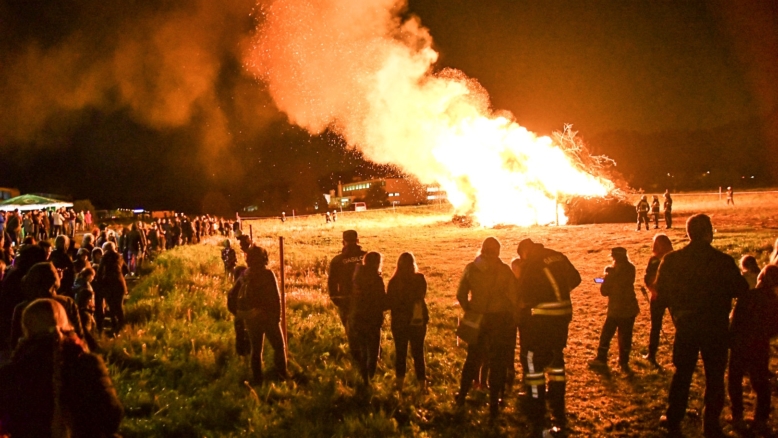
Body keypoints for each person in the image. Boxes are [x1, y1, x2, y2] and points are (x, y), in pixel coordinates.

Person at [655, 214, 749, 436]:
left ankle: (674, 417)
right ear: (708, 232)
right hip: (715, 326)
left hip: (686, 324)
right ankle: (711, 422)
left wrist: (675, 311)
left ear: (689, 233)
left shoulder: (672, 260)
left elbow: (661, 293)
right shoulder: (723, 261)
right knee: (715, 376)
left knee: (682, 373)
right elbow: (742, 290)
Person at [0, 298, 123, 437]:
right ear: (67, 325)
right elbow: (111, 416)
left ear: (26, 330)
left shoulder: (12, 374)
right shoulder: (87, 364)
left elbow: (6, 422)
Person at [516, 238, 581, 435]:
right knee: (556, 357)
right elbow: (576, 278)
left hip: (543, 318)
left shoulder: (532, 263)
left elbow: (524, 295)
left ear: (525, 251)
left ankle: (536, 404)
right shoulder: (558, 256)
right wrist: (560, 294)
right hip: (564, 316)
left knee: (532, 360)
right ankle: (557, 399)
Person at [455, 237, 517, 419]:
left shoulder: (471, 268)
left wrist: (471, 310)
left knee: (473, 359)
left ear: (482, 250)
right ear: (497, 251)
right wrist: (513, 318)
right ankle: (494, 405)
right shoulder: (505, 270)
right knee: (497, 362)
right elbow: (514, 297)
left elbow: (460, 294)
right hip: (500, 321)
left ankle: (462, 395)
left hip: (478, 320)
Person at [728, 265, 778, 433]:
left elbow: (735, 320)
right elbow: (774, 328)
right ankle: (761, 419)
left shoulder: (748, 296)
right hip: (759, 345)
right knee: (761, 382)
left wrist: (731, 338)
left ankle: (737, 416)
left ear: (760, 278)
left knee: (735, 380)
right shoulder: (774, 302)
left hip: (740, 343)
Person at [234, 246, 287, 385]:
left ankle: (257, 379)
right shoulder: (267, 274)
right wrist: (277, 317)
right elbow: (276, 297)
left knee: (256, 350)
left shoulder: (244, 274)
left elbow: (232, 295)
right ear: (264, 257)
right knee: (279, 347)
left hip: (251, 317)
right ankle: (282, 375)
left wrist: (241, 313)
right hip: (267, 316)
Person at [589, 247, 639, 371]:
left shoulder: (612, 273)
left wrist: (602, 278)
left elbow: (604, 290)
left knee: (606, 334)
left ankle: (601, 358)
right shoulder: (630, 268)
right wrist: (600, 279)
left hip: (616, 309)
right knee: (626, 335)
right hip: (630, 308)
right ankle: (624, 361)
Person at [387, 252, 429, 393]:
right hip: (417, 320)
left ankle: (399, 384)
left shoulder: (393, 282)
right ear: (413, 264)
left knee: (401, 353)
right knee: (418, 353)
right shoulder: (419, 278)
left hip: (399, 322)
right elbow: (422, 295)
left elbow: (390, 302)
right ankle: (422, 384)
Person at [327, 230, 366, 361]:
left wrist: (337, 300)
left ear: (343, 242)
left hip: (346, 300)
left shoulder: (337, 261)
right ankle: (373, 355)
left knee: (351, 330)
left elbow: (332, 284)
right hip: (366, 299)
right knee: (368, 328)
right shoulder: (366, 257)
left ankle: (357, 358)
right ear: (358, 240)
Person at [350, 252, 388, 386]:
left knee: (363, 349)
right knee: (373, 351)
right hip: (373, 319)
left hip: (358, 317)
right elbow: (382, 301)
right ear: (377, 263)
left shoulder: (357, 276)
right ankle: (370, 379)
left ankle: (364, 377)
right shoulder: (376, 279)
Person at [643, 234, 674, 366]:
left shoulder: (673, 258)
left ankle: (683, 352)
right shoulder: (654, 259)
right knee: (655, 326)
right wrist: (652, 289)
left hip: (671, 295)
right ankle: (652, 353)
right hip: (657, 295)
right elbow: (647, 276)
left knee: (679, 324)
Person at [96, 242, 128, 335]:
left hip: (109, 284)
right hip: (120, 283)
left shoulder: (104, 258)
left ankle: (115, 326)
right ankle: (121, 325)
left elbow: (100, 271)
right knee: (119, 305)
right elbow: (126, 270)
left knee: (111, 305)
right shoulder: (119, 257)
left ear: (105, 249)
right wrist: (120, 275)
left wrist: (100, 281)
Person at [226, 265, 250, 356]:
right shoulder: (248, 287)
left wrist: (237, 313)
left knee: (240, 337)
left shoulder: (234, 289)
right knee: (250, 340)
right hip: (251, 317)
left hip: (239, 317)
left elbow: (230, 305)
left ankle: (242, 357)